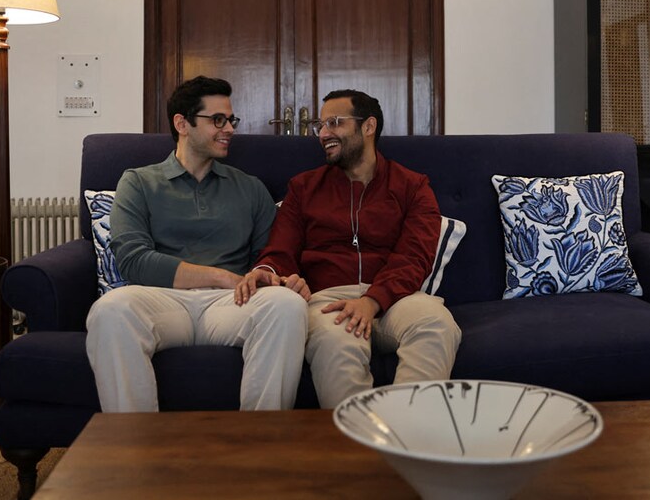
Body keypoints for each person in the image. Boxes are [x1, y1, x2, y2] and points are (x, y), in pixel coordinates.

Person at [86, 76, 309, 412]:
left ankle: (263, 444)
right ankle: (133, 448)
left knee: (286, 305)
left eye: (230, 119)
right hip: (162, 300)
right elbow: (134, 261)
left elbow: (269, 257)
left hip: (231, 303)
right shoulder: (139, 182)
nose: (230, 129)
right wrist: (220, 276)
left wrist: (273, 275)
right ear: (182, 124)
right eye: (217, 120)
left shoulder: (250, 188)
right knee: (111, 309)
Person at [235, 89, 462, 408]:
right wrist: (269, 272)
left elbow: (415, 257)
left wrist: (373, 300)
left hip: (397, 298)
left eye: (334, 123)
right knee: (336, 343)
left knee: (437, 323)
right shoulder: (304, 187)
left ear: (368, 127)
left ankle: (409, 435)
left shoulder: (412, 186)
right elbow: (280, 249)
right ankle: (356, 449)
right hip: (328, 301)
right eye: (321, 126)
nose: (323, 134)